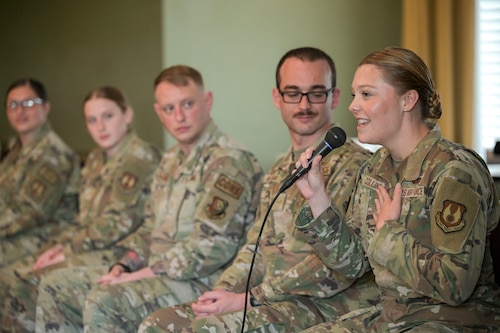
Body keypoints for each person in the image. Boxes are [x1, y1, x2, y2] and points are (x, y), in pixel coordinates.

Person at [138, 47, 378, 333]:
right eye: (292, 93)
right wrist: (222, 293)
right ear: (277, 98)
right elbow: (254, 249)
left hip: (324, 307)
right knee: (158, 324)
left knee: (207, 329)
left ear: (334, 97)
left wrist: (250, 298)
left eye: (316, 93)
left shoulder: (357, 167)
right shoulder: (279, 170)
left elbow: (336, 268)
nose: (304, 104)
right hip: (270, 300)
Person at [34, 65, 264, 332]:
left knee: (105, 302)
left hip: (206, 280)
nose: (179, 116)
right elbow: (148, 228)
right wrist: (124, 264)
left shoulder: (228, 160)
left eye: (187, 104)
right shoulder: (169, 160)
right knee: (60, 286)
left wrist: (142, 273)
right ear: (159, 113)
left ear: (207, 101)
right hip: (160, 271)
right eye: (169, 109)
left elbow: (211, 247)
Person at [293, 47, 500, 332]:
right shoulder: (375, 168)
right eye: (354, 95)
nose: (353, 106)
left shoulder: (455, 171)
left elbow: (456, 286)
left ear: (408, 100)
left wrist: (389, 235)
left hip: (452, 322)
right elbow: (353, 264)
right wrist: (317, 198)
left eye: (367, 94)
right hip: (393, 317)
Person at [0, 86, 162, 330]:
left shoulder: (139, 158)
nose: (100, 127)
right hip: (88, 245)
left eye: (108, 116)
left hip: (120, 252)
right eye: (92, 120)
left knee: (28, 282)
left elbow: (117, 223)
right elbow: (82, 218)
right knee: (13, 276)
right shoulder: (96, 158)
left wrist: (69, 248)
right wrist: (59, 246)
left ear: (127, 115)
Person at [0, 78, 80, 268]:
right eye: (13, 105)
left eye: (28, 103)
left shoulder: (53, 154)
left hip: (44, 237)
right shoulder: (15, 149)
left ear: (46, 107)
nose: (20, 111)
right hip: (15, 233)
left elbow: (29, 213)